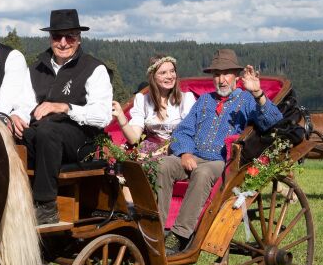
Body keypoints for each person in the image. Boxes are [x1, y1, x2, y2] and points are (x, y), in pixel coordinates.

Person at [156, 49, 283, 254]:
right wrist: (185, 153)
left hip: (221, 161)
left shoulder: (247, 99)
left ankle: (180, 235)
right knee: (163, 165)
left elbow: (272, 121)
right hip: (194, 154)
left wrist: (258, 93)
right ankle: (157, 226)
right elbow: (183, 130)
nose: (221, 79)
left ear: (236, 75)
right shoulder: (205, 100)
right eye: (217, 74)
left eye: (226, 74)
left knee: (203, 173)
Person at [22, 9, 114, 225]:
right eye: (57, 37)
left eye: (70, 36)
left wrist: (66, 107)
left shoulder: (94, 68)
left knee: (48, 131)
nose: (63, 43)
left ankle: (46, 206)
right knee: (8, 135)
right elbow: (24, 103)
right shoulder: (36, 68)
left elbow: (103, 116)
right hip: (39, 134)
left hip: (80, 139)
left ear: (79, 39)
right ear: (50, 39)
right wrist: (16, 117)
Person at [111, 54, 196, 157]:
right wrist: (120, 116)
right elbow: (134, 138)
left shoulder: (186, 99)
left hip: (178, 151)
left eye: (172, 71)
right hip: (148, 151)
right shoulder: (142, 100)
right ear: (153, 76)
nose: (170, 76)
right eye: (163, 73)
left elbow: (190, 134)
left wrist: (160, 153)